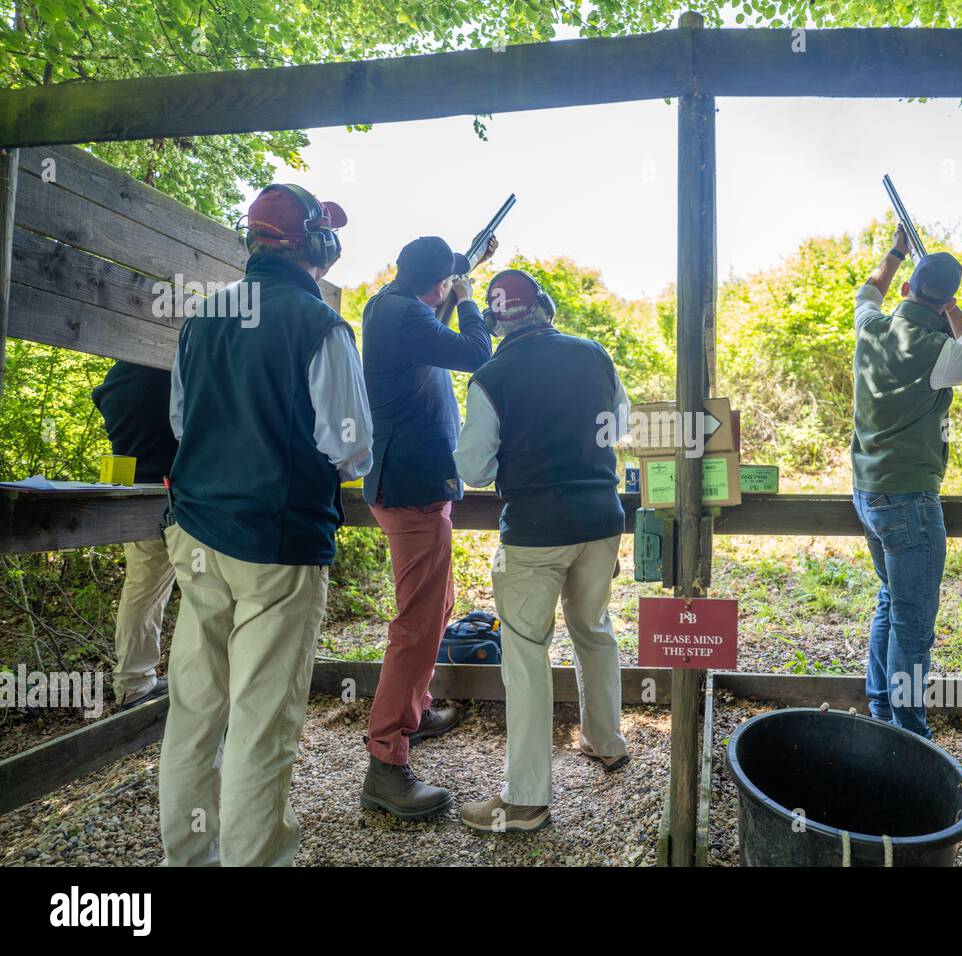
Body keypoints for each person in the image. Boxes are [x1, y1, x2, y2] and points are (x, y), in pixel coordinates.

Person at [159, 183, 372, 866]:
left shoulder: (202, 318)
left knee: (195, 710)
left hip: (194, 535)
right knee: (260, 720)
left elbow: (183, 426)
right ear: (317, 245)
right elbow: (351, 447)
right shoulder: (320, 325)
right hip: (276, 544)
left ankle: (186, 859)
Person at [453, 269, 630, 833]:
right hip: (602, 519)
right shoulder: (594, 353)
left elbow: (474, 470)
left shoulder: (491, 375)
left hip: (533, 530)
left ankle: (526, 800)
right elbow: (620, 425)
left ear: (494, 320)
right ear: (546, 309)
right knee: (594, 628)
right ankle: (607, 740)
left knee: (526, 653)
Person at [358, 234, 496, 820]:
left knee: (435, 610)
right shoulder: (400, 312)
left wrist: (462, 270)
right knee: (416, 626)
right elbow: (476, 353)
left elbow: (430, 324)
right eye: (447, 283)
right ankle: (386, 763)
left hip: (416, 484)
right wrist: (466, 298)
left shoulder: (397, 307)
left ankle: (414, 713)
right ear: (438, 285)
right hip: (410, 487)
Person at [852, 226, 962, 741]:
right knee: (912, 626)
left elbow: (867, 292)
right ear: (945, 302)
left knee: (891, 600)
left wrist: (895, 253)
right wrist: (951, 309)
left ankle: (883, 715)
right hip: (910, 499)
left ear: (906, 290)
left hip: (867, 493)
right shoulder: (938, 349)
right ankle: (911, 741)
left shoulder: (871, 328)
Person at [92, 361, 179, 709]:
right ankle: (203, 680)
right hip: (181, 492)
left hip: (135, 495)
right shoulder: (171, 372)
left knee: (143, 589)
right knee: (211, 592)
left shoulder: (114, 382)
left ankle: (133, 683)